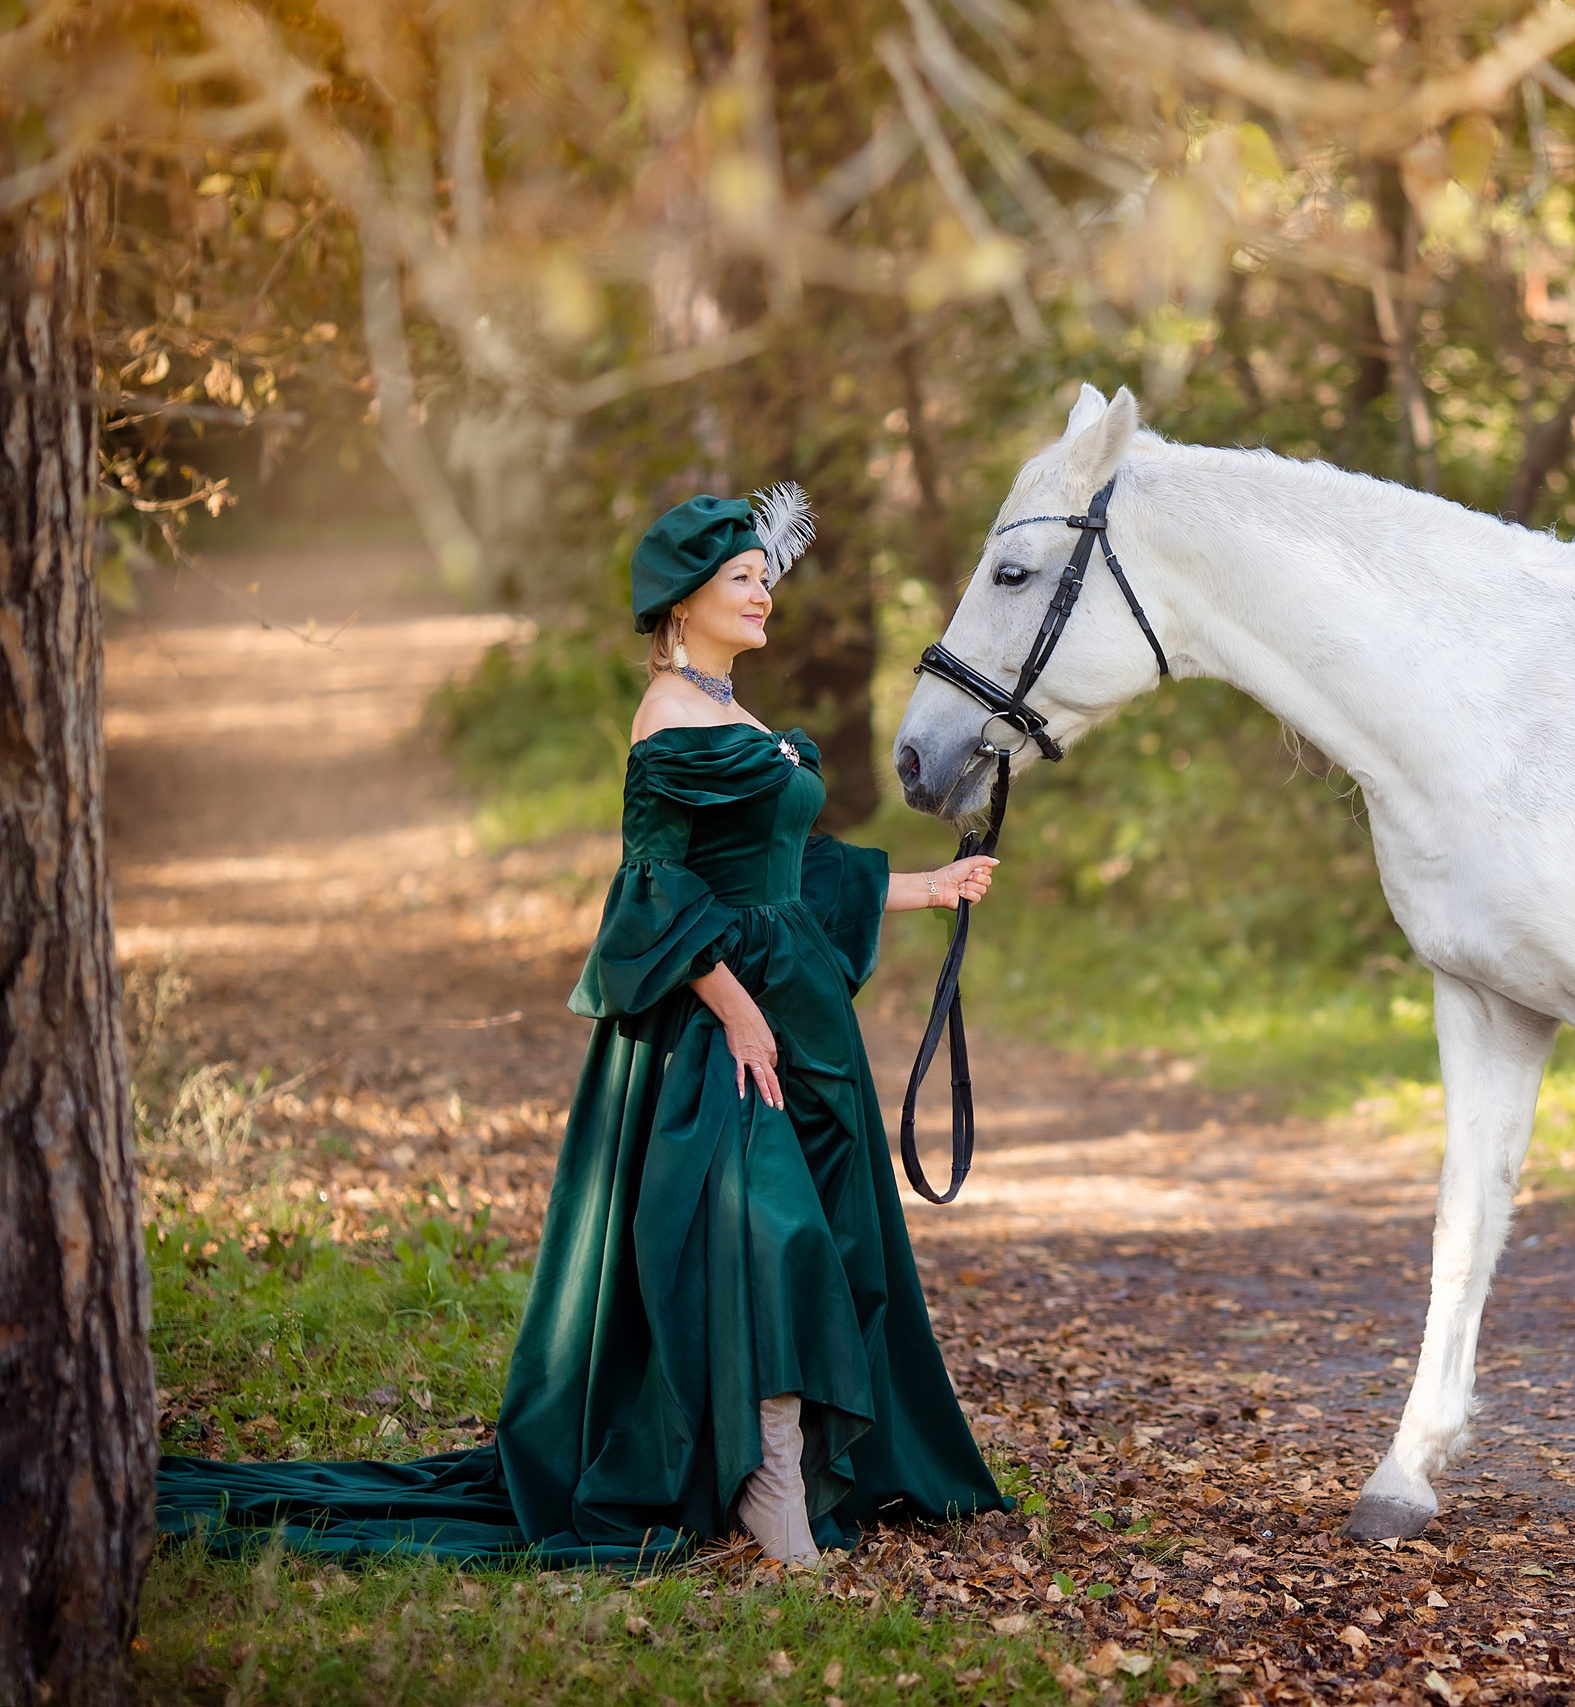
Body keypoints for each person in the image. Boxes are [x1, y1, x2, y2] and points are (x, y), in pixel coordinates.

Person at [159, 486, 1007, 1566]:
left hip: (802, 1019)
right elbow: (648, 890)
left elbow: (792, 866)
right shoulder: (666, 718)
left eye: (764, 578)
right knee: (775, 1232)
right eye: (743, 580)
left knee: (826, 1238)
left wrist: (931, 887)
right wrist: (740, 1014)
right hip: (715, 1028)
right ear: (686, 599)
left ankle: (780, 1465)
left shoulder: (737, 714)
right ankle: (770, 1479)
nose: (764, 597)